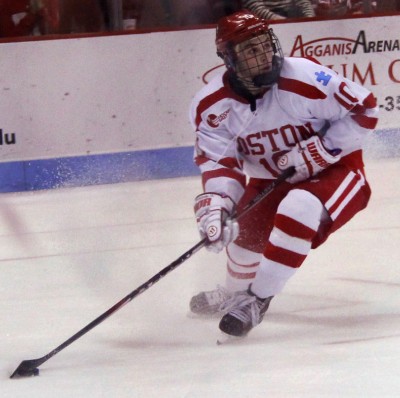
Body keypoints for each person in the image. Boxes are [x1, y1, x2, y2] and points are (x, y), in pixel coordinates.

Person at [188, 10, 378, 337]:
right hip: (272, 178)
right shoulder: (211, 107)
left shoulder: (303, 78)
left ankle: (257, 300)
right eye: (250, 51)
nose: (263, 56)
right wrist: (218, 205)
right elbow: (220, 163)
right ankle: (234, 293)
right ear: (228, 58)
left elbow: (365, 108)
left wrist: (324, 148)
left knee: (298, 208)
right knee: (242, 232)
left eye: (265, 45)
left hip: (338, 171)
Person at [242, 0, 315, 20]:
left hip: (290, 17)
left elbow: (304, 3)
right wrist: (288, 23)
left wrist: (310, 20)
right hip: (266, 23)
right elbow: (258, 10)